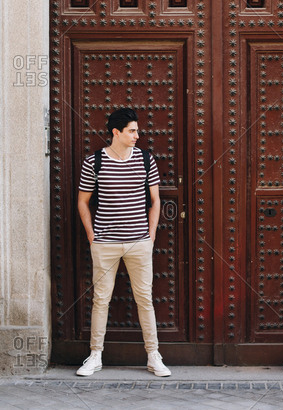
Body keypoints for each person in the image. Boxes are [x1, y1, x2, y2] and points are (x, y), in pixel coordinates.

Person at [76, 107, 171, 377]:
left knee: (145, 299)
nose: (137, 136)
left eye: (137, 130)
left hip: (138, 242)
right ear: (116, 132)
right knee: (101, 300)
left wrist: (150, 236)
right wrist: (92, 236)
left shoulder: (145, 160)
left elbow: (155, 202)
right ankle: (95, 356)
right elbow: (83, 203)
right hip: (104, 244)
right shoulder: (94, 162)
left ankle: (153, 356)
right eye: (132, 131)